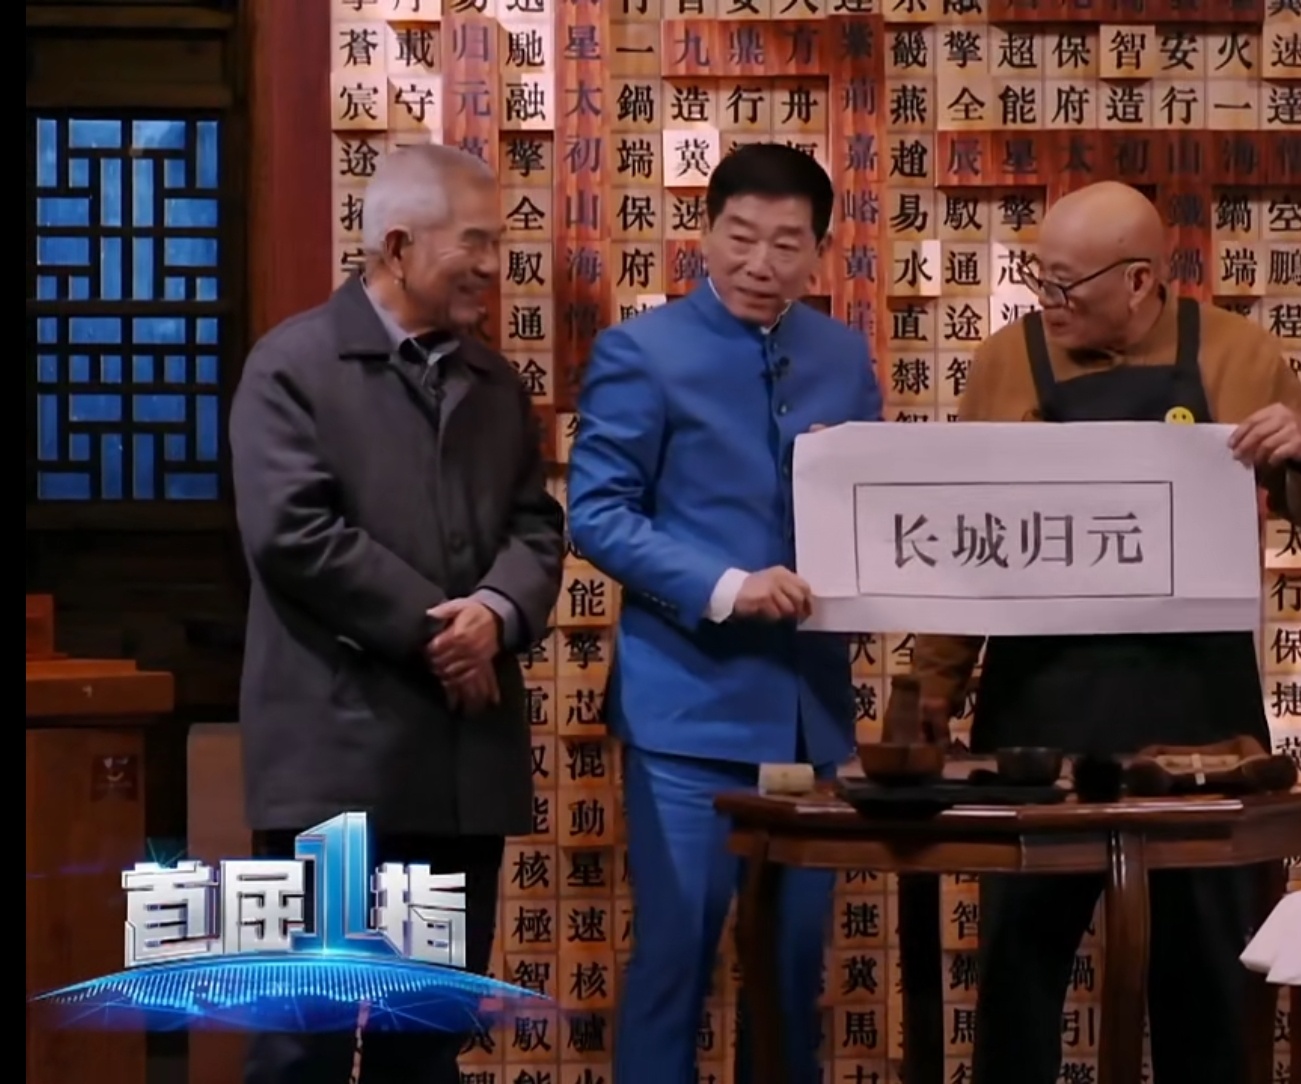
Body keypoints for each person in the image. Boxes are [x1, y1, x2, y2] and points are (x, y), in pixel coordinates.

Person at [896, 181, 1301, 1084]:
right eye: (1041, 278)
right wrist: (930, 694)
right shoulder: (1005, 361)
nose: (1048, 301)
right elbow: (968, 543)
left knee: (1206, 977)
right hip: (1038, 715)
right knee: (1018, 970)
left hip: (1200, 722)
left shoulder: (1238, 351)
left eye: (1067, 285)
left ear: (1141, 280)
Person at [228, 143, 566, 1084]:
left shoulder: (494, 385)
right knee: (301, 1043)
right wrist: (445, 635)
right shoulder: (292, 366)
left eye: (498, 243)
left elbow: (536, 525)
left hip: (458, 774)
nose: (494, 265)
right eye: (476, 243)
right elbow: (294, 534)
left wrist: (496, 611)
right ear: (398, 246)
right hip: (331, 769)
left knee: (425, 1044)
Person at [566, 143, 882, 1084]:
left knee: (793, 970)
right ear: (704, 235)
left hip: (809, 719)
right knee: (677, 958)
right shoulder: (642, 351)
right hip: (688, 713)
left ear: (819, 253)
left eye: (786, 244)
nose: (760, 263)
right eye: (740, 237)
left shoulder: (842, 355)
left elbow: (868, 504)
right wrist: (725, 584)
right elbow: (598, 514)